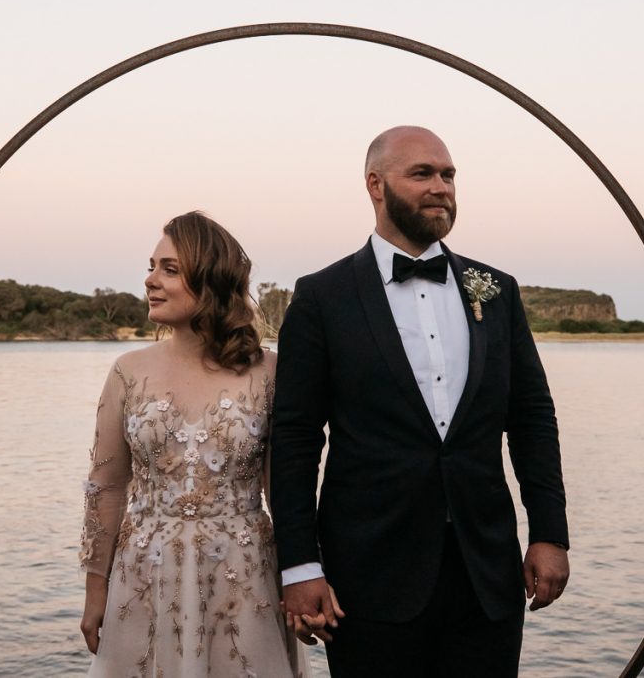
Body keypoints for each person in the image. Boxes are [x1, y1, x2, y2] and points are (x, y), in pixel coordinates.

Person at [269, 126, 570, 677]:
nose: (441, 187)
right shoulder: (322, 297)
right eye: (422, 174)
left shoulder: (495, 290)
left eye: (449, 175)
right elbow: (294, 440)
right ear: (375, 186)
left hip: (486, 574)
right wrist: (299, 565)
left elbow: (531, 418)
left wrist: (549, 532)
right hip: (366, 576)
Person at [79, 212, 302, 677]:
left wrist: (303, 577)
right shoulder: (127, 371)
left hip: (244, 577)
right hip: (144, 573)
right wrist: (95, 590)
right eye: (151, 266)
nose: (150, 280)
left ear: (211, 281)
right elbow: (107, 488)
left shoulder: (269, 371)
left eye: (169, 269)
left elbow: (283, 491)